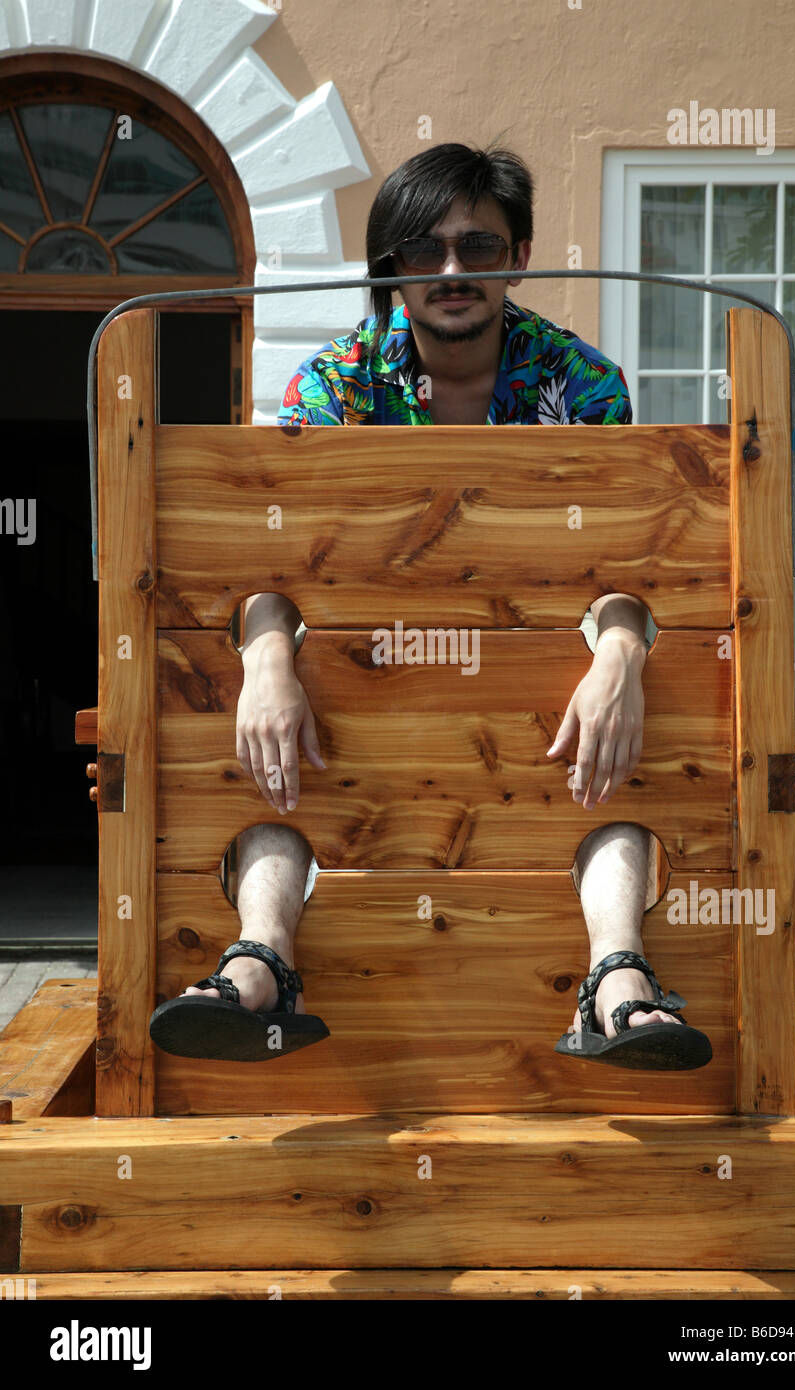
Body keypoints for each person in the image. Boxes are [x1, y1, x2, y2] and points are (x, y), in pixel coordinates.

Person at [149, 141, 711, 1070]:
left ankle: (617, 980)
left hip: (530, 720)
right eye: (422, 250)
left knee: (618, 783)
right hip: (358, 703)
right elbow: (265, 563)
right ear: (391, 269)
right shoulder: (333, 387)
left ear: (518, 256)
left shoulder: (582, 384)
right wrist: (264, 658)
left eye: (478, 247)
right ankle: (258, 967)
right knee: (258, 770)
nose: (451, 272)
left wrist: (620, 652)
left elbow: (627, 562)